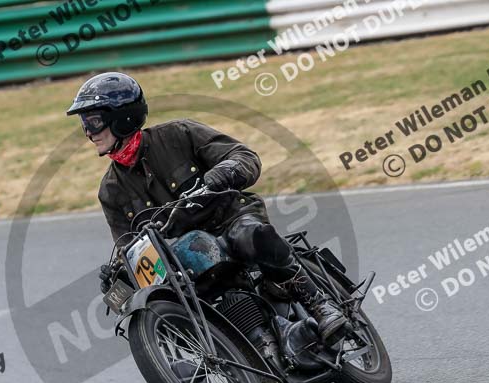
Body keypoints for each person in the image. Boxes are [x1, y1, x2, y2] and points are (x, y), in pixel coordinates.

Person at [67, 72, 348, 344]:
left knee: (250, 235)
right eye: (85, 124)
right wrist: (118, 277)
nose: (89, 133)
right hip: (186, 260)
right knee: (169, 310)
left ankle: (319, 304)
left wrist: (225, 172)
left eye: (94, 122)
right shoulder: (110, 191)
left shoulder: (178, 134)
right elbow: (129, 248)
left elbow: (243, 156)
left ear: (122, 117)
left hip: (229, 219)